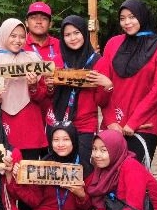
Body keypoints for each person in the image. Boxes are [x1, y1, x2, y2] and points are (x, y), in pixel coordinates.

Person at [0, 18, 48, 210]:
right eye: (12, 35)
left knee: (28, 173)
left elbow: (43, 97)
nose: (17, 40)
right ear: (3, 35)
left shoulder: (33, 59)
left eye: (21, 36)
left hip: (29, 121)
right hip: (2, 120)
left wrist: (33, 85)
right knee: (5, 170)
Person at [94, 0, 157, 167]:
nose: (127, 22)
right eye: (122, 18)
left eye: (132, 17)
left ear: (142, 17)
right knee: (107, 177)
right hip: (113, 123)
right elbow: (104, 86)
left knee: (134, 176)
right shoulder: (113, 43)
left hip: (144, 124)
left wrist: (133, 123)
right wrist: (111, 121)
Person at [11, 123, 88, 210]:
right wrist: (18, 180)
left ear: (74, 140)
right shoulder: (42, 166)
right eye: (55, 140)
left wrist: (81, 195)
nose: (60, 144)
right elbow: (34, 201)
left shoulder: (84, 167)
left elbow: (93, 205)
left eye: (65, 139)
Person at [47, 15, 110, 168]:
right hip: (58, 124)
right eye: (67, 35)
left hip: (85, 124)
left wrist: (107, 86)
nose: (73, 38)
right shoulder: (56, 61)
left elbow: (101, 101)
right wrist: (49, 86)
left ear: (84, 33)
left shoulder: (98, 61)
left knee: (84, 168)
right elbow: (47, 96)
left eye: (76, 33)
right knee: (59, 169)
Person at [24, 1, 64, 68]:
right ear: (26, 23)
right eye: (33, 18)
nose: (39, 22)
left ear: (50, 24)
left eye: (44, 18)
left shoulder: (59, 45)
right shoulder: (19, 45)